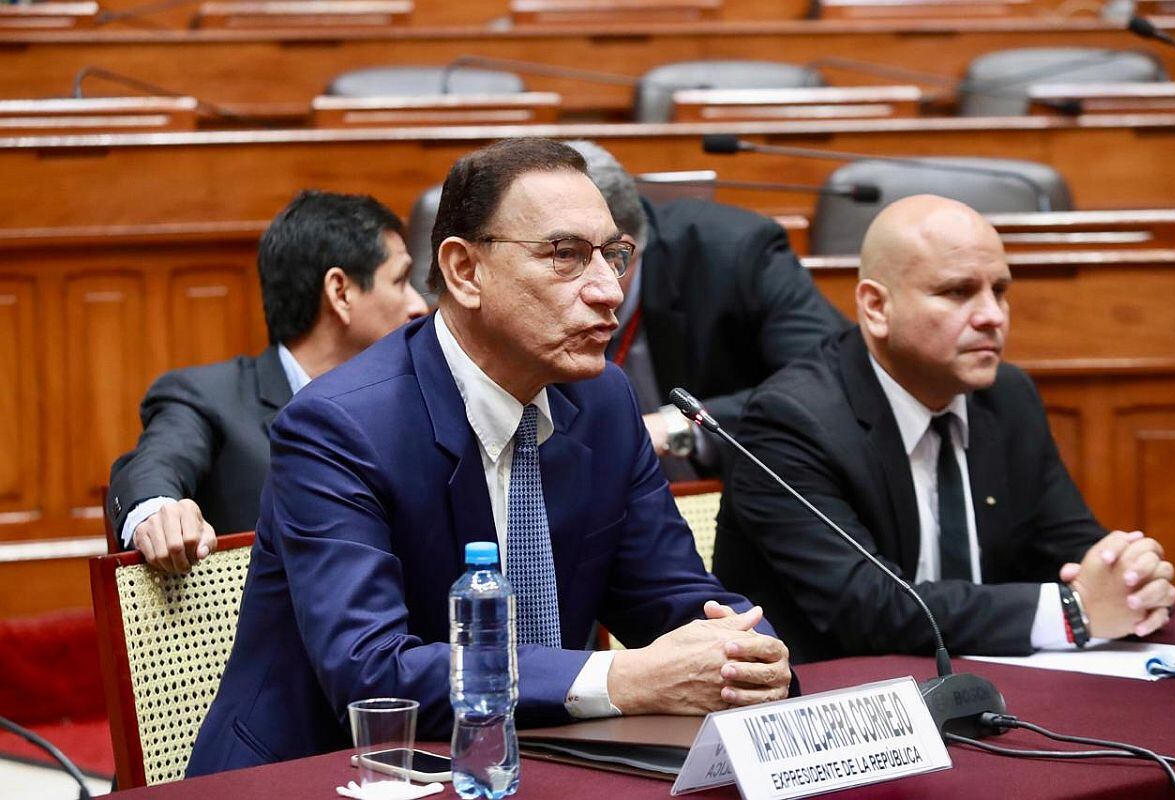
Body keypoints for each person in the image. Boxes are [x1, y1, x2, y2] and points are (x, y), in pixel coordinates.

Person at [186, 138, 794, 777]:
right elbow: (371, 672)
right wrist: (623, 677)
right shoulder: (339, 427)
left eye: (614, 257)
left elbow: (674, 599)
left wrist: (744, 653)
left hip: (536, 766)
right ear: (465, 271)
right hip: (330, 774)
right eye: (565, 256)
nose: (608, 290)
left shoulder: (604, 401)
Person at [714, 194, 1175, 662]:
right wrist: (1072, 613)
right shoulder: (791, 421)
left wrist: (1131, 578)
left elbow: (1067, 543)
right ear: (876, 306)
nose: (992, 315)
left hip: (985, 685)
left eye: (999, 290)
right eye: (958, 292)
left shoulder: (1007, 397)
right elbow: (871, 607)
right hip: (836, 700)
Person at [106, 190, 429, 573]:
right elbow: (155, 463)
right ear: (340, 292)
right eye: (401, 280)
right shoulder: (209, 398)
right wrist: (158, 513)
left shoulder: (416, 401)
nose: (419, 305)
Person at [566, 141, 847, 479]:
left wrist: (678, 427)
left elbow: (830, 382)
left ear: (619, 252)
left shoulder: (734, 253)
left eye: (566, 257)